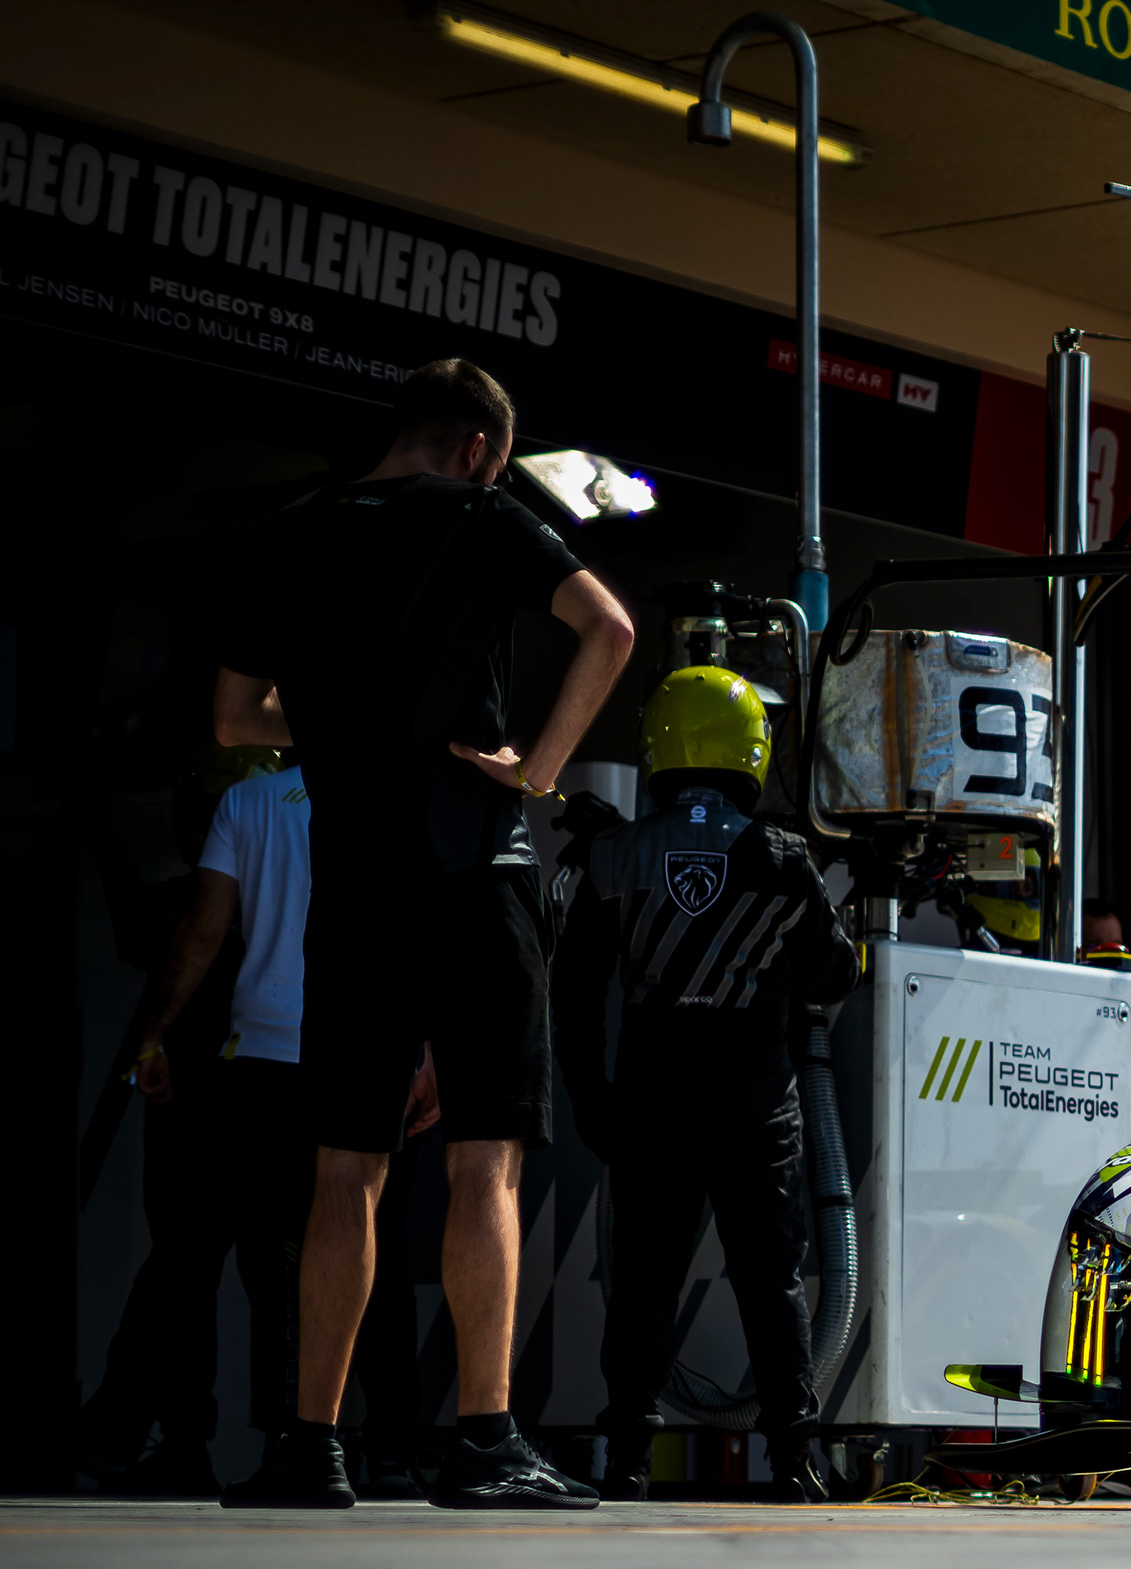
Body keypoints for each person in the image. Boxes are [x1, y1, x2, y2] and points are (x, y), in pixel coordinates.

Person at [210, 355, 637, 1510]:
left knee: (344, 1167)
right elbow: (610, 629)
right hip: (471, 870)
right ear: (482, 448)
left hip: (354, 885)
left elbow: (233, 716)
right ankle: (485, 1442)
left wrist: (344, 716)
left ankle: (311, 1447)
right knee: (482, 1158)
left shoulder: (295, 530)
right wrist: (536, 770)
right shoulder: (487, 516)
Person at [554, 667, 857, 1504]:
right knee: (772, 1281)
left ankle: (624, 1460)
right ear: (751, 747)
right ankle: (796, 1459)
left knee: (646, 1280)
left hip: (651, 1101)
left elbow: (572, 994)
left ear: (660, 743)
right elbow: (835, 976)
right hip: (758, 1105)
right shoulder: (787, 859)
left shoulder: (613, 853)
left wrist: (591, 1102)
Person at [77, 752, 316, 1494]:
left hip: (210, 1098)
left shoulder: (208, 893)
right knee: (250, 1270)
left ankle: (160, 1435)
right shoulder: (288, 866)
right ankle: (264, 1440)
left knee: (189, 1269)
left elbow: (156, 936)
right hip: (264, 1086)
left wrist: (92, 829)